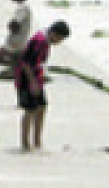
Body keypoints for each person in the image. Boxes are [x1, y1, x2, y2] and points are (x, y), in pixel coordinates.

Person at [16, 20, 71, 151]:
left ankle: (37, 141)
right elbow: (26, 63)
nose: (59, 42)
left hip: (37, 78)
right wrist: (33, 82)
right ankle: (25, 143)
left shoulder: (45, 41)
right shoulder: (40, 41)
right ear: (53, 33)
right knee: (30, 110)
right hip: (26, 79)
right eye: (60, 39)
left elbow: (38, 63)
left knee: (42, 107)